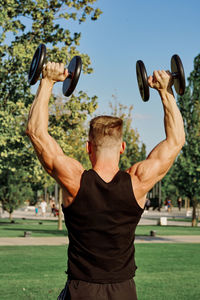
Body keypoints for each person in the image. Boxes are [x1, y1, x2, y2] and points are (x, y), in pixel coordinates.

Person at [26, 62, 185, 300]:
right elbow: (175, 142)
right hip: (123, 291)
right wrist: (165, 91)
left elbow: (36, 132)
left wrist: (47, 81)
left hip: (82, 291)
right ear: (122, 147)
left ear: (88, 147)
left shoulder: (75, 181)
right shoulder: (138, 182)